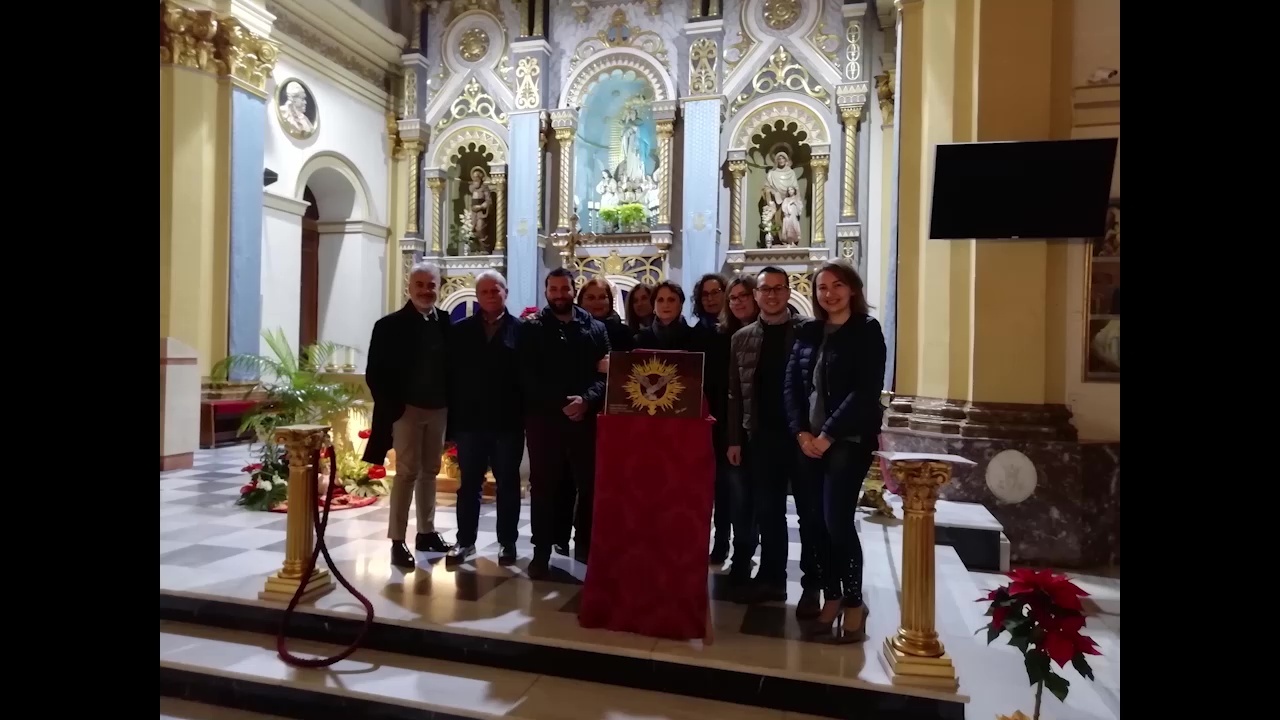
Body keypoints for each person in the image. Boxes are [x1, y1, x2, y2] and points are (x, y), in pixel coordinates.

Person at [785, 262, 885, 641]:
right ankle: (832, 596)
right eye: (822, 287)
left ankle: (855, 602)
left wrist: (827, 434)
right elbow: (791, 387)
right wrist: (800, 433)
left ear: (853, 290)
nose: (830, 293)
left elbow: (865, 391)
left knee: (836, 522)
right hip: (807, 442)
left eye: (837, 285)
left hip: (847, 441)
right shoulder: (808, 331)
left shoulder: (867, 331)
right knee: (813, 524)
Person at [725, 266, 816, 612]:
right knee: (769, 512)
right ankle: (773, 579)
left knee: (808, 514)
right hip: (761, 436)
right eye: (766, 289)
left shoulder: (808, 332)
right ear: (757, 294)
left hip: (802, 437)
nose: (772, 295)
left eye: (779, 289)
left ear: (789, 292)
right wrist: (735, 439)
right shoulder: (742, 337)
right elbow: (735, 394)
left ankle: (812, 584)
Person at [518, 268, 611, 578]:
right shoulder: (531, 329)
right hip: (545, 422)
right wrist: (562, 403)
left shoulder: (595, 328)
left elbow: (605, 375)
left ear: (574, 291)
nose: (559, 294)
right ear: (546, 292)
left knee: (589, 486)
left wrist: (586, 400)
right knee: (543, 488)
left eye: (565, 289)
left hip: (585, 420)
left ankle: (587, 547)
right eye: (553, 289)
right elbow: (528, 376)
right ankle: (541, 551)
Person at [363, 262, 454, 569]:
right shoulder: (388, 325)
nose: (426, 291)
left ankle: (426, 533)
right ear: (409, 287)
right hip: (407, 410)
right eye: (420, 285)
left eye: (432, 286)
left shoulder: (444, 321)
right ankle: (397, 540)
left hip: (438, 408)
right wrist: (396, 407)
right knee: (406, 473)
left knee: (430, 471)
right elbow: (375, 374)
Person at [445, 270, 524, 567]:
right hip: (470, 422)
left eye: (496, 290)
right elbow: (451, 377)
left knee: (507, 483)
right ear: (477, 296)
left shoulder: (522, 331)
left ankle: (507, 543)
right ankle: (465, 541)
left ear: (506, 292)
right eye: (485, 292)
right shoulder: (460, 331)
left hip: (508, 422)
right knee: (469, 485)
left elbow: (526, 378)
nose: (491, 295)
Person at [719, 274, 760, 584]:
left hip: (766, 430)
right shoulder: (727, 335)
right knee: (739, 499)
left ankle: (767, 565)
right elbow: (732, 393)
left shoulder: (780, 331)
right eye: (732, 298)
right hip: (733, 430)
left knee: (762, 502)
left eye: (743, 296)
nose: (738, 302)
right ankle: (741, 557)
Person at [690, 274, 732, 564]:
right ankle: (703, 539)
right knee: (705, 485)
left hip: (730, 414)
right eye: (705, 294)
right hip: (701, 415)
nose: (710, 298)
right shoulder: (695, 333)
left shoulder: (736, 329)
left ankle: (725, 541)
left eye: (716, 292)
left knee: (730, 486)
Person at [634, 281, 698, 351]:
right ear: (654, 307)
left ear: (681, 305)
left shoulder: (695, 337)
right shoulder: (640, 339)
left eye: (671, 300)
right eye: (660, 300)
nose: (666, 305)